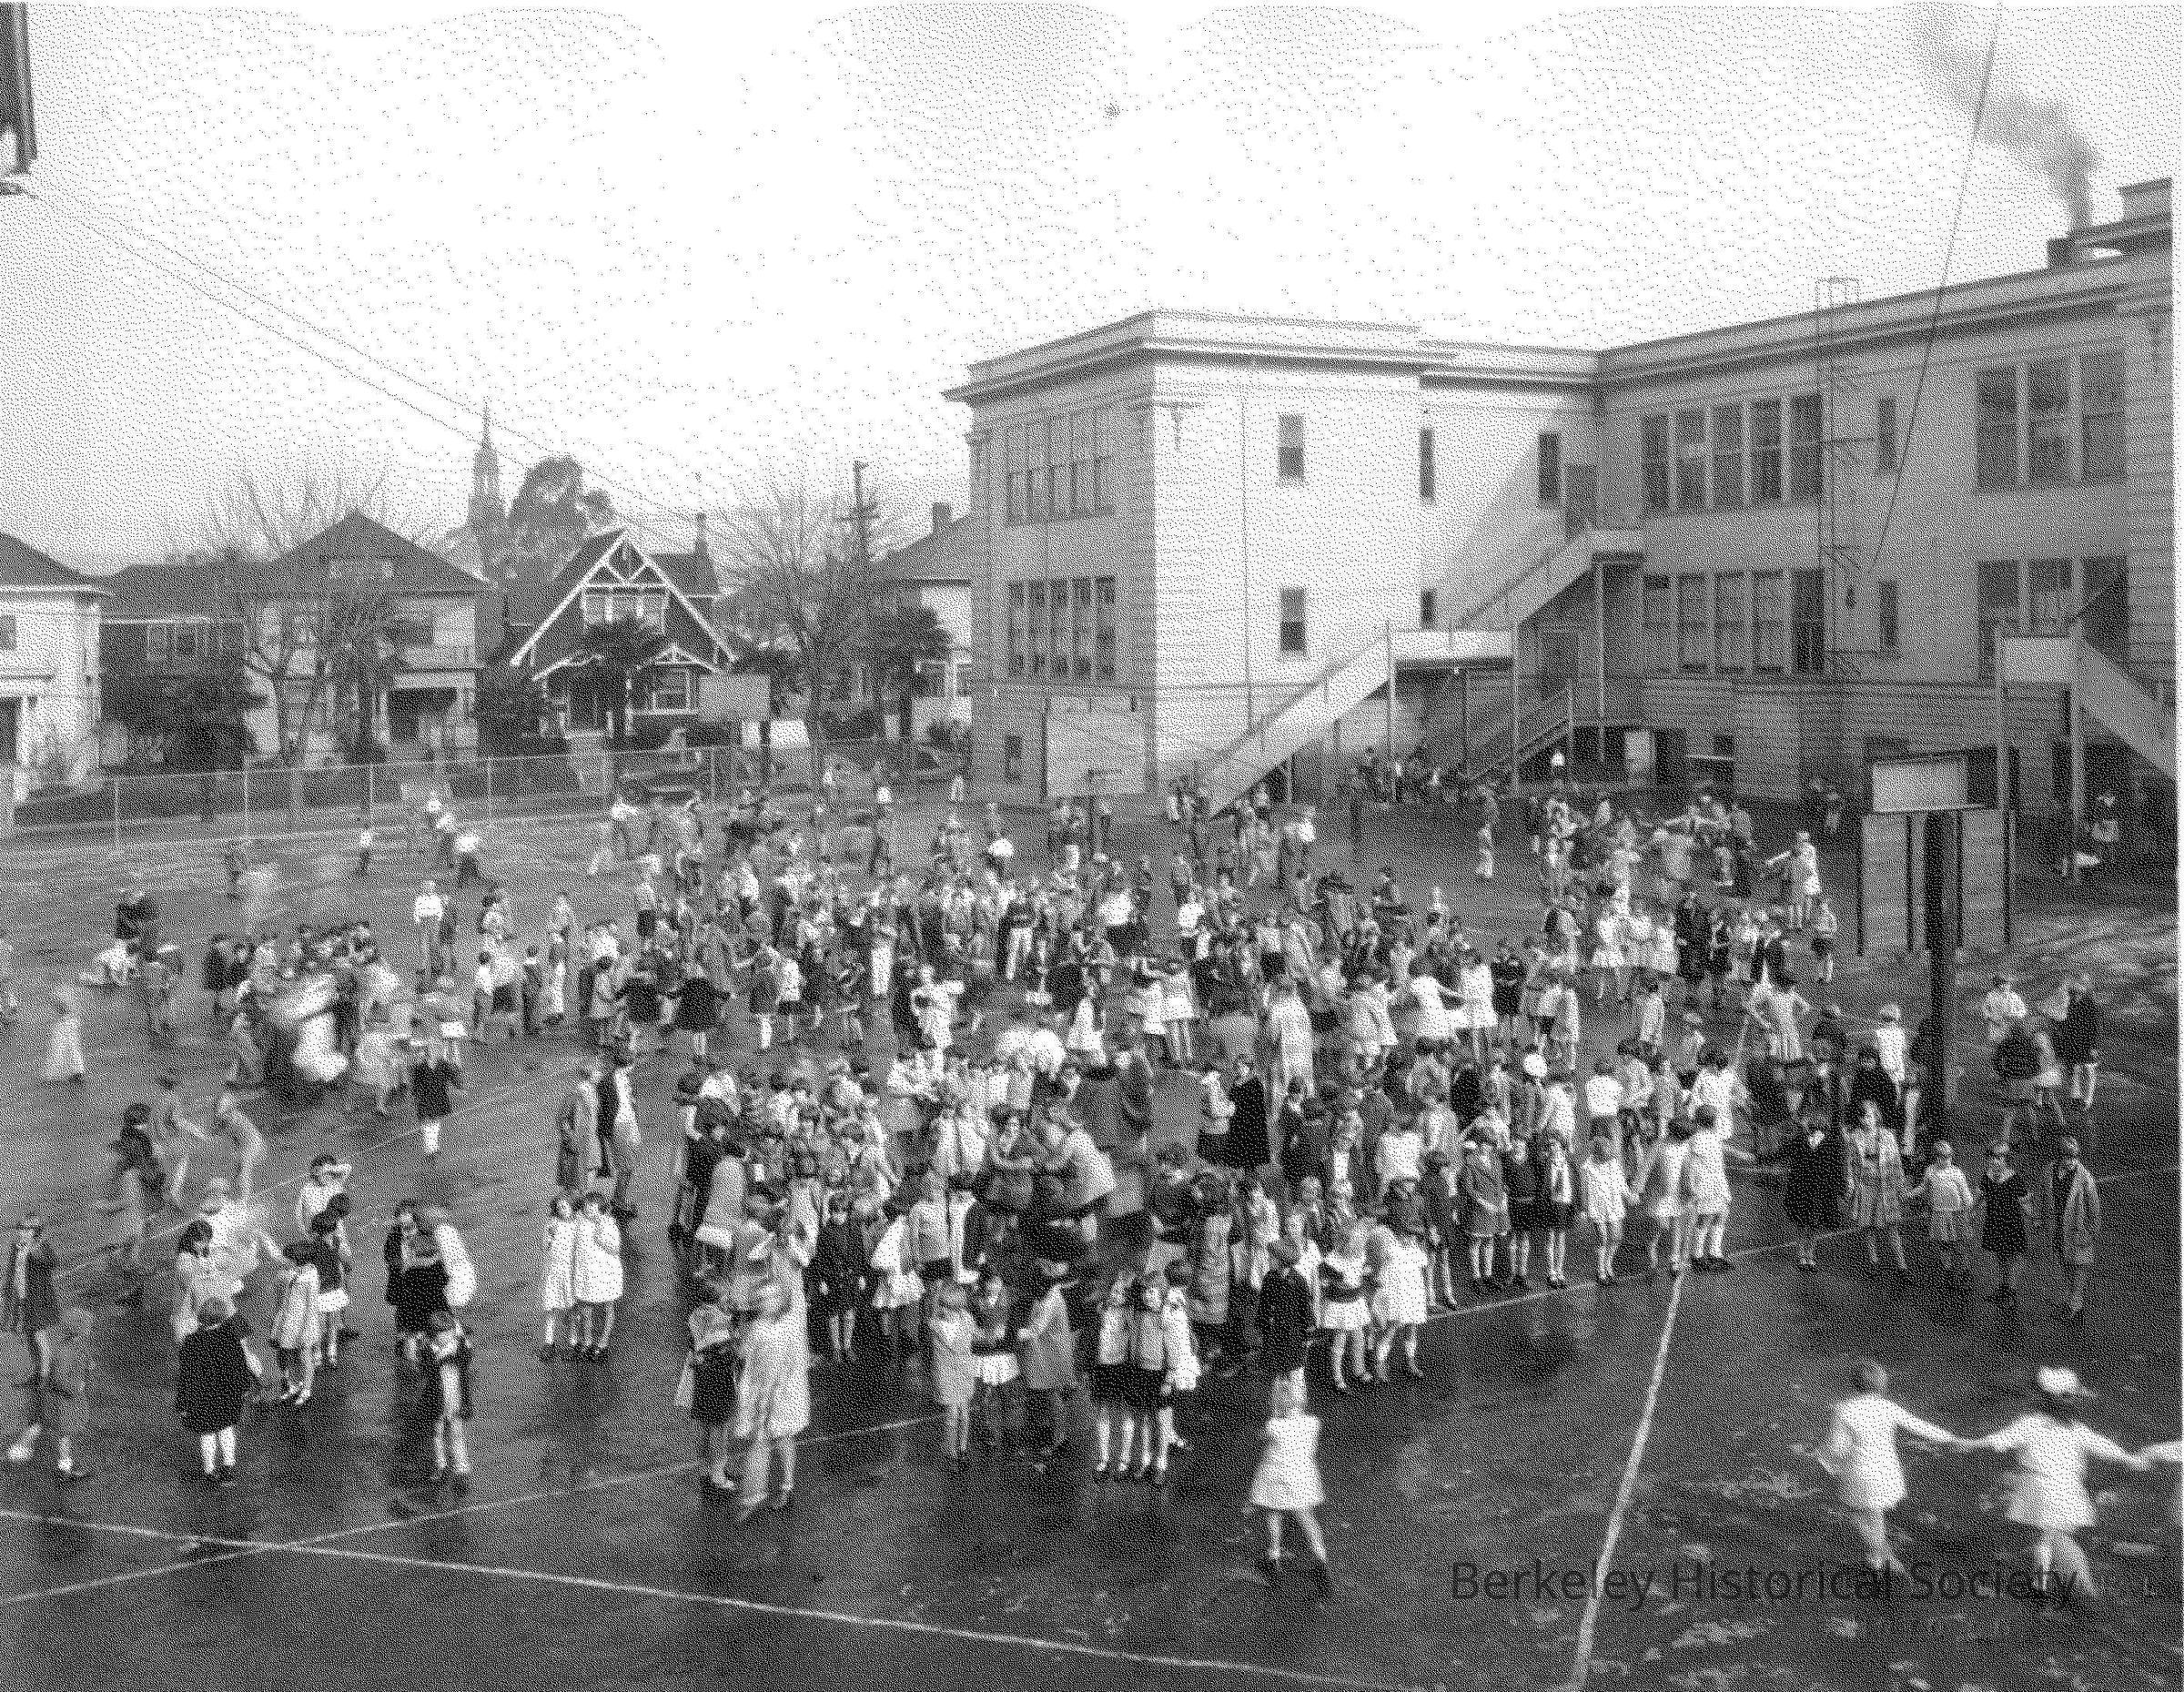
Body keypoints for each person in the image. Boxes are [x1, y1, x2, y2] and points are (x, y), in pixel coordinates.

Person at [1968, 1365, 2150, 1606]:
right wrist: (2129, 1459)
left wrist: (2128, 1458)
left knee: (2045, 1537)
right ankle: (2062, 1586)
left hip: (2050, 1488)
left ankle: (2043, 1584)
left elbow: (2102, 1445)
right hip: (2052, 1489)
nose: (2072, 1402)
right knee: (2051, 1535)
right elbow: (2001, 1440)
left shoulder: (2055, 1427)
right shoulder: (2050, 1426)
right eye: (2068, 1397)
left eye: (2072, 1397)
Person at [1815, 1360, 1963, 1582]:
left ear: (1854, 1383)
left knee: (1859, 1515)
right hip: (1887, 1473)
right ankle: (1880, 1558)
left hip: (1860, 1474)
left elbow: (1837, 1448)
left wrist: (1824, 1460)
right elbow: (1919, 1426)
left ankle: (1885, 1562)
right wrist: (1950, 1438)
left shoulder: (1843, 1410)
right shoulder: (1887, 1407)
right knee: (1875, 1515)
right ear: (1881, 1384)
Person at [732, 1277, 809, 1522]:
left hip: (782, 1393)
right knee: (759, 1441)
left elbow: (795, 1362)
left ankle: (787, 1486)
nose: (767, 1302)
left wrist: (775, 1388)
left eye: (772, 1297)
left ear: (781, 1300)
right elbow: (745, 1357)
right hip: (759, 1391)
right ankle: (753, 1494)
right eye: (763, 1298)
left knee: (783, 1437)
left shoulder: (789, 1327)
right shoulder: (756, 1327)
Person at [1249, 1376, 1333, 1596]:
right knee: (1307, 1519)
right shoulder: (1313, 1424)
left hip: (1276, 1477)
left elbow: (1262, 1438)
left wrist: (1275, 1415)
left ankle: (1274, 1557)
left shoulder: (1274, 1426)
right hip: (1302, 1478)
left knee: (1273, 1512)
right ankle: (1321, 1561)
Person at [175, 1295, 261, 1486]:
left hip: (202, 1397)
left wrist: (182, 1403)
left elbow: (186, 1376)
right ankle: (228, 1468)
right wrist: (244, 1388)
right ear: (223, 1317)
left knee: (207, 1435)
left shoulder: (191, 1342)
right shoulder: (231, 1340)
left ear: (201, 1316)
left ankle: (210, 1470)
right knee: (226, 1431)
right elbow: (240, 1367)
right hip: (227, 1396)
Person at [6, 1306, 95, 1482]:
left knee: (42, 1422)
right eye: (86, 1327)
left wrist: (88, 1364)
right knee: (65, 1434)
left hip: (54, 1397)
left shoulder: (66, 1343)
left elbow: (78, 1361)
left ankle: (19, 1451)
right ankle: (64, 1468)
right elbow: (61, 1377)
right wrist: (76, 1387)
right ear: (78, 1329)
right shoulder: (68, 1350)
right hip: (64, 1401)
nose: (88, 1331)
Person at [2030, 1136, 2099, 1325]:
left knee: (2079, 1268)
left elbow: (2094, 1208)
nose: (2071, 1161)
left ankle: (2076, 1306)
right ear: (2059, 1156)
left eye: (2074, 1157)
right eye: (2067, 1157)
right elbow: (2040, 1195)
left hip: (2078, 1230)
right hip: (2058, 1229)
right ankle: (2073, 1302)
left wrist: (2091, 1232)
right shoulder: (2049, 1170)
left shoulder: (2084, 1177)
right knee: (2066, 1265)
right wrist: (2037, 1218)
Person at [684, 1286, 742, 1496]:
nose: (729, 1299)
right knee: (720, 1429)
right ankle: (718, 1474)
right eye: (725, 1296)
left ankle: (706, 1469)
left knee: (707, 1427)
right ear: (716, 1299)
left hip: (703, 1380)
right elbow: (731, 1353)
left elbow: (696, 1348)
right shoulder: (717, 1321)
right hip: (718, 1380)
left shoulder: (696, 1316)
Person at [420, 1309, 475, 1488]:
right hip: (436, 1400)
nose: (449, 1337)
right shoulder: (429, 1350)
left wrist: (460, 1338)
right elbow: (425, 1369)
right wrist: (438, 1358)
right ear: (435, 1334)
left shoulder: (458, 1347)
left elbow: (467, 1356)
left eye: (451, 1333)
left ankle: (462, 1469)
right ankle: (441, 1465)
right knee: (437, 1434)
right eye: (445, 1334)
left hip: (456, 1399)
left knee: (457, 1434)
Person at [5, 1213, 59, 1386]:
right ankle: (37, 1373)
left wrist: (32, 1251)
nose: (23, 1232)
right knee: (29, 1337)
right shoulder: (16, 1247)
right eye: (21, 1228)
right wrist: (8, 1293)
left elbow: (53, 1263)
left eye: (27, 1229)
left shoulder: (41, 1246)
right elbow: (12, 1272)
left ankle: (44, 1379)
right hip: (22, 1299)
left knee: (40, 1338)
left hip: (39, 1300)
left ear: (35, 1231)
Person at [1974, 1141, 2031, 1305]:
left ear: (2007, 1160)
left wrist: (2035, 1218)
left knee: (2016, 1257)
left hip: (2012, 1224)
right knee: (2001, 1257)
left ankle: (2011, 1292)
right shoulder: (1987, 1177)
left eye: (1999, 1158)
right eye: (1992, 1157)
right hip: (1994, 1222)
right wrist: (1971, 1212)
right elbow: (1978, 1198)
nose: (1994, 1161)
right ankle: (2003, 1288)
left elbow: (2024, 1202)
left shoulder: (2014, 1178)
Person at [571, 1190, 624, 1359]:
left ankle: (603, 1343)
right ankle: (587, 1341)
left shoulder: (608, 1224)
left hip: (606, 1273)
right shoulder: (580, 1222)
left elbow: (616, 1249)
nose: (589, 1210)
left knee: (608, 1307)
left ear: (600, 1208)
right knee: (586, 1308)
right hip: (586, 1273)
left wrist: (601, 1240)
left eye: (593, 1207)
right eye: (587, 1207)